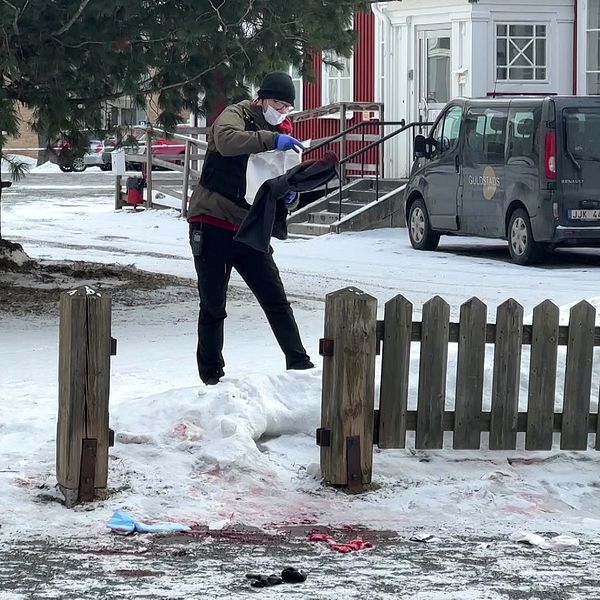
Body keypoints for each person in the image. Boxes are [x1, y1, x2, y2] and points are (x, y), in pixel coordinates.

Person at [187, 71, 315, 385]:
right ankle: (211, 376)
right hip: (212, 222)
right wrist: (271, 139)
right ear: (260, 98)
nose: (281, 111)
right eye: (276, 103)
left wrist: (290, 194)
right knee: (213, 305)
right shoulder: (238, 114)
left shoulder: (285, 132)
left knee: (275, 298)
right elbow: (226, 141)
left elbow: (281, 179)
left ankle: (300, 365)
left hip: (249, 229)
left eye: (287, 106)